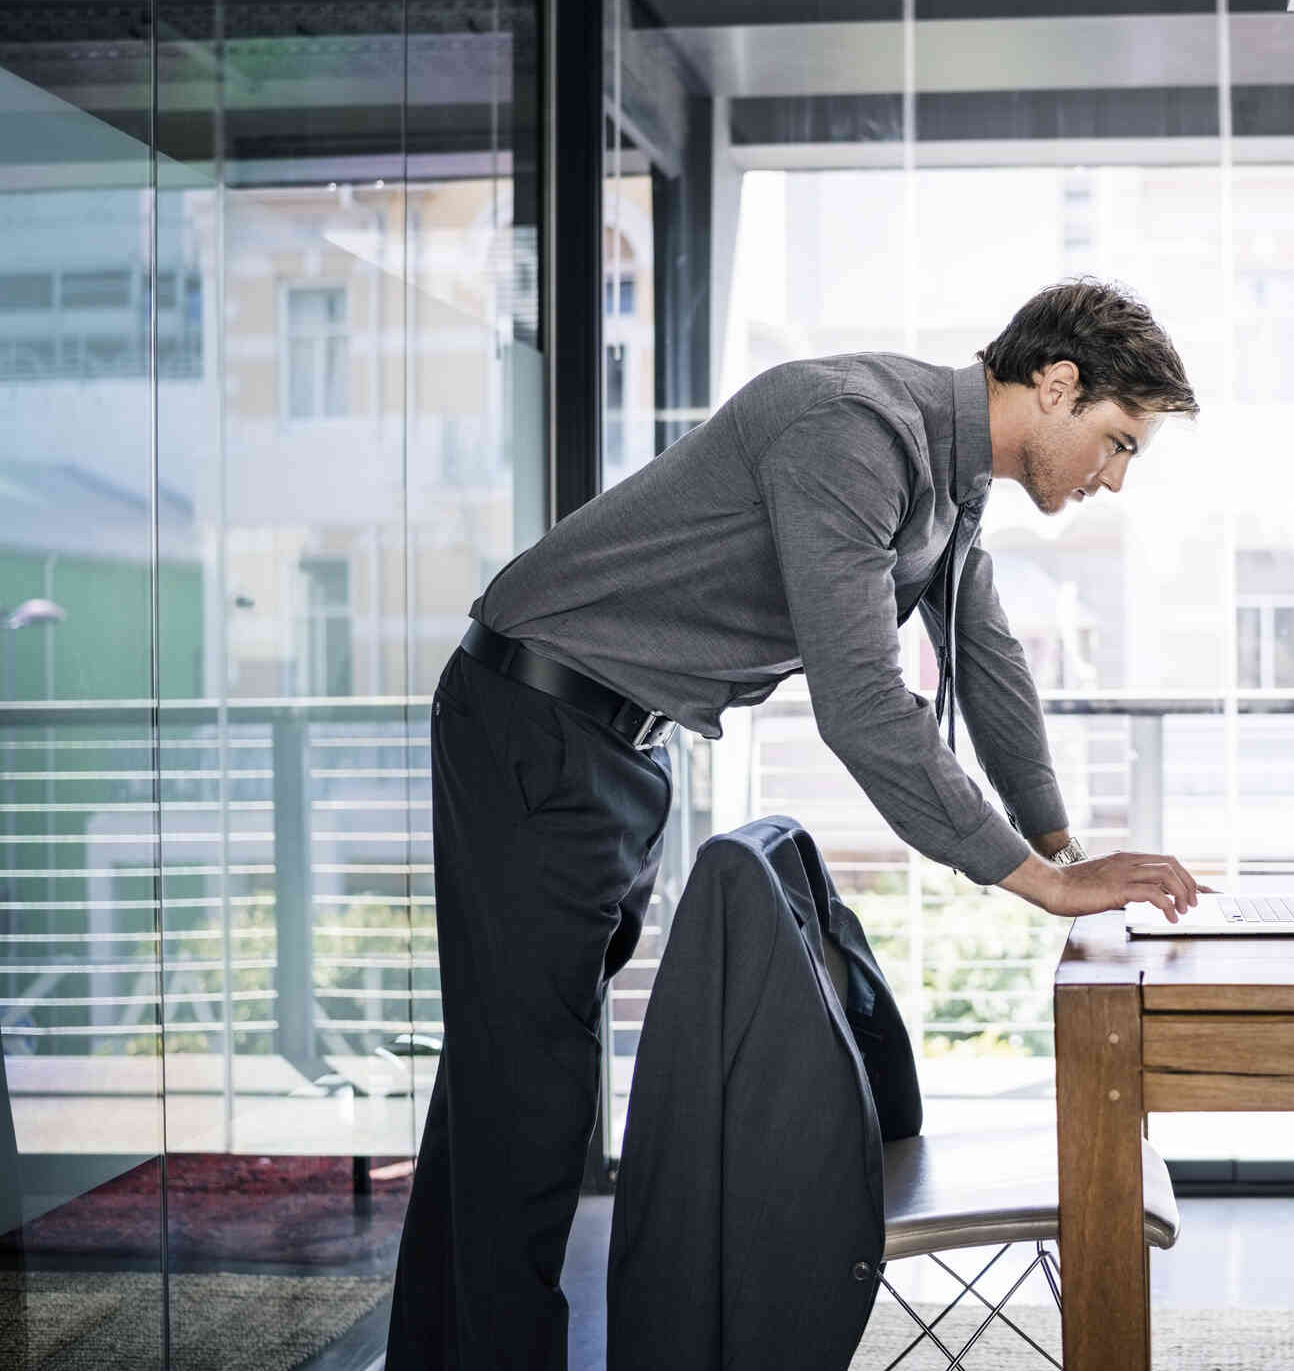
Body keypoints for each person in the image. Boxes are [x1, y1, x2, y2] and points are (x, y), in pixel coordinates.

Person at [386, 278, 1209, 1368]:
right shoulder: (854, 432)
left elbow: (988, 662)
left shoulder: (948, 484)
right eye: (1116, 443)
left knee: (506, 1082)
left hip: (610, 746)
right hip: (534, 721)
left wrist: (1060, 844)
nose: (1112, 478)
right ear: (1055, 388)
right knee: (531, 1109)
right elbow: (865, 707)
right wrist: (1040, 884)